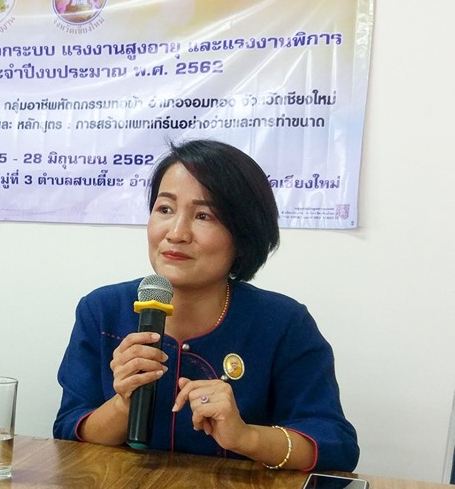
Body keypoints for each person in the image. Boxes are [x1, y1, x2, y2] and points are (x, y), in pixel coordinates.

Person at [53, 139, 359, 471]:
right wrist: (123, 404)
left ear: (243, 234)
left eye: (203, 215)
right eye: (165, 209)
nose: (176, 233)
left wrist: (247, 437)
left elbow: (335, 446)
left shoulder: (283, 323)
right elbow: (69, 431)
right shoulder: (102, 310)